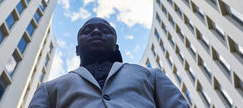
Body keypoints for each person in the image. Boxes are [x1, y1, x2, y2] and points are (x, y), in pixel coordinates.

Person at [29, 17, 189, 108]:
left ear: (116, 47)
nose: (96, 32)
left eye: (105, 31)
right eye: (87, 31)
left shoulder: (151, 75)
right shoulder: (49, 88)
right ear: (77, 50)